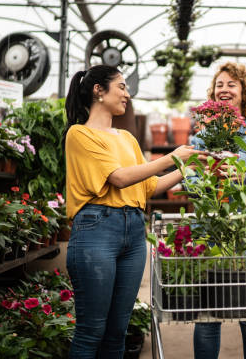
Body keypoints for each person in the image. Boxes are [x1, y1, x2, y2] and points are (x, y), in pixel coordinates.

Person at [63, 64, 205, 359]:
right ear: (98, 91)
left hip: (134, 233)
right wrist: (171, 157)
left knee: (118, 333)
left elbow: (149, 187)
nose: (127, 95)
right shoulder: (80, 134)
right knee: (91, 331)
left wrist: (187, 167)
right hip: (95, 231)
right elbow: (118, 178)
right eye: (122, 87)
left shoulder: (126, 138)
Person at [190, 62, 246, 359]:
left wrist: (243, 175)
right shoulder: (202, 135)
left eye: (232, 84)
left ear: (244, 93)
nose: (224, 89)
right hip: (212, 231)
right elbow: (190, 180)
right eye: (220, 85)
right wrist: (207, 179)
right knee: (207, 316)